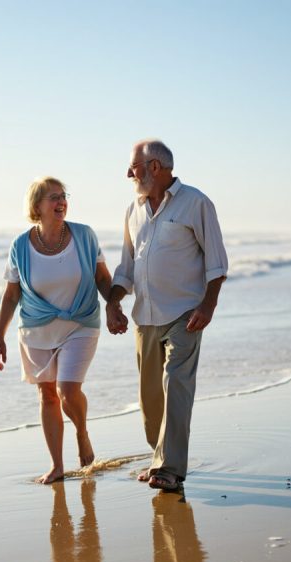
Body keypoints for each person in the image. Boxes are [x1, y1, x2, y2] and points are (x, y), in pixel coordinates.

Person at [105, 140, 228, 492]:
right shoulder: (133, 210)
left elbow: (216, 262)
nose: (128, 173)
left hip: (185, 312)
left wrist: (208, 305)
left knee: (176, 383)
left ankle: (169, 468)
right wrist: (113, 303)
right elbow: (126, 268)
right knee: (150, 399)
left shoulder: (196, 203)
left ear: (155, 167)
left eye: (134, 167)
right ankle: (159, 455)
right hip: (145, 315)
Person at [0, 177, 114, 484]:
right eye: (53, 198)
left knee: (67, 390)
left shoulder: (84, 236)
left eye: (63, 196)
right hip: (36, 328)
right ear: (37, 206)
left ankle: (82, 433)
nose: (61, 202)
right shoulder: (20, 246)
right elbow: (11, 295)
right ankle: (57, 466)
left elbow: (102, 278)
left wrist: (114, 305)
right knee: (48, 396)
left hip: (81, 322)